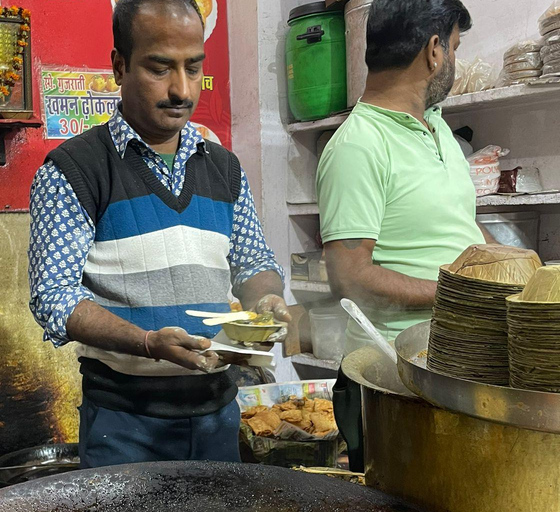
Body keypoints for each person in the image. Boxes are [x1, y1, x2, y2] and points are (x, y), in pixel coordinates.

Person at [29, 0, 305, 468]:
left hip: (218, 416)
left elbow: (254, 261)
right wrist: (146, 342)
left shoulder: (224, 167)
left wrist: (268, 302)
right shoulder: (75, 170)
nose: (181, 89)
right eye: (160, 68)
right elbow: (53, 297)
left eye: (193, 69)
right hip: (125, 426)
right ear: (120, 65)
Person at [316, 0, 498, 471]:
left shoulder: (435, 125)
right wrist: (463, 296)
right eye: (455, 48)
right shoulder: (358, 146)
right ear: (434, 51)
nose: (454, 61)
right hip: (392, 379)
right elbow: (350, 278)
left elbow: (456, 221)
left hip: (452, 366)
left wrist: (510, 265)